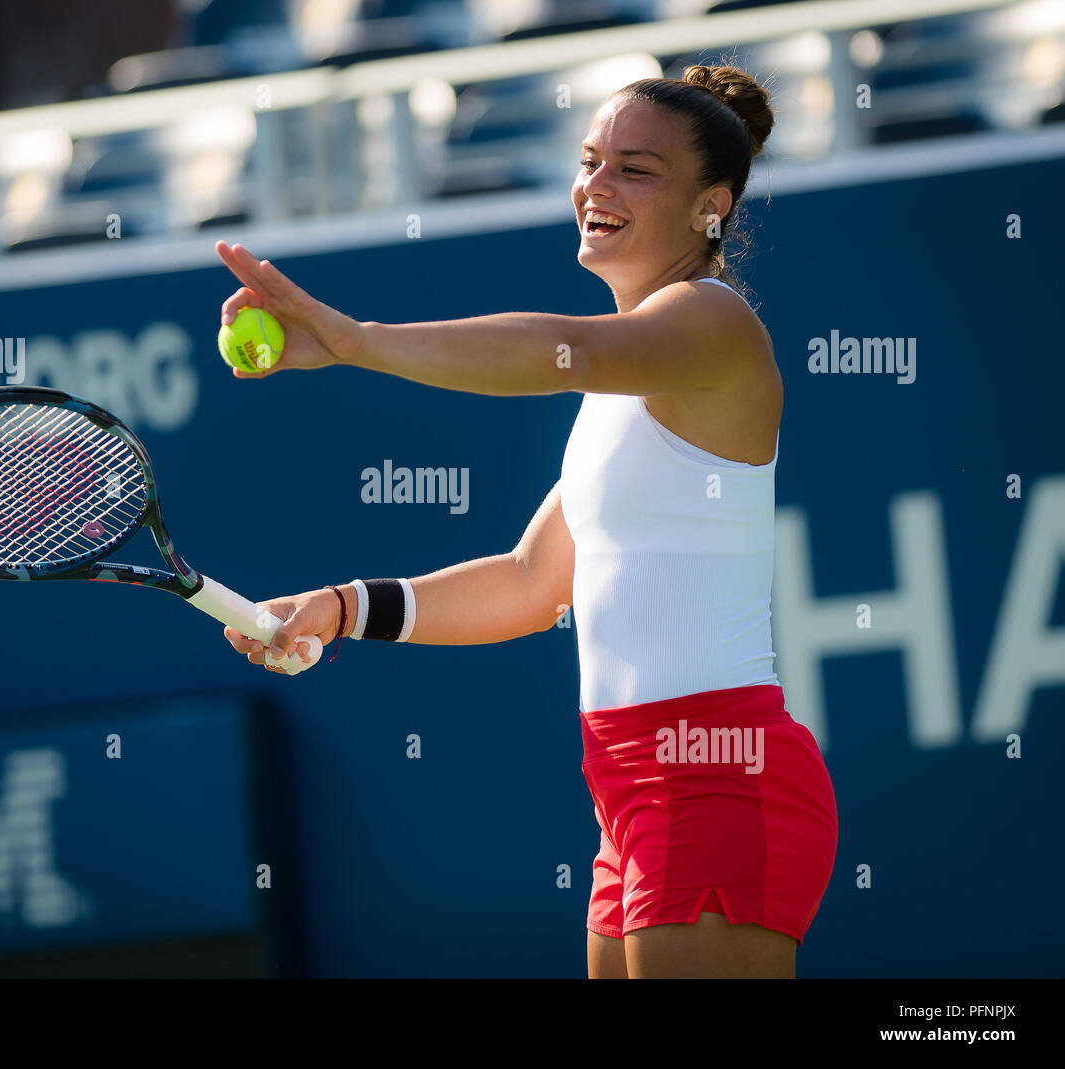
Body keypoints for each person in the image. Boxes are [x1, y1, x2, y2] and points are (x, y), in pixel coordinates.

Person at [215, 63, 837, 979]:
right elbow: (529, 582)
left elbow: (564, 351)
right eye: (591, 161)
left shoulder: (712, 324)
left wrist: (357, 342)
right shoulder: (622, 394)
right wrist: (342, 605)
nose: (597, 185)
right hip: (629, 787)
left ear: (711, 207)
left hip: (715, 772)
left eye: (636, 168)